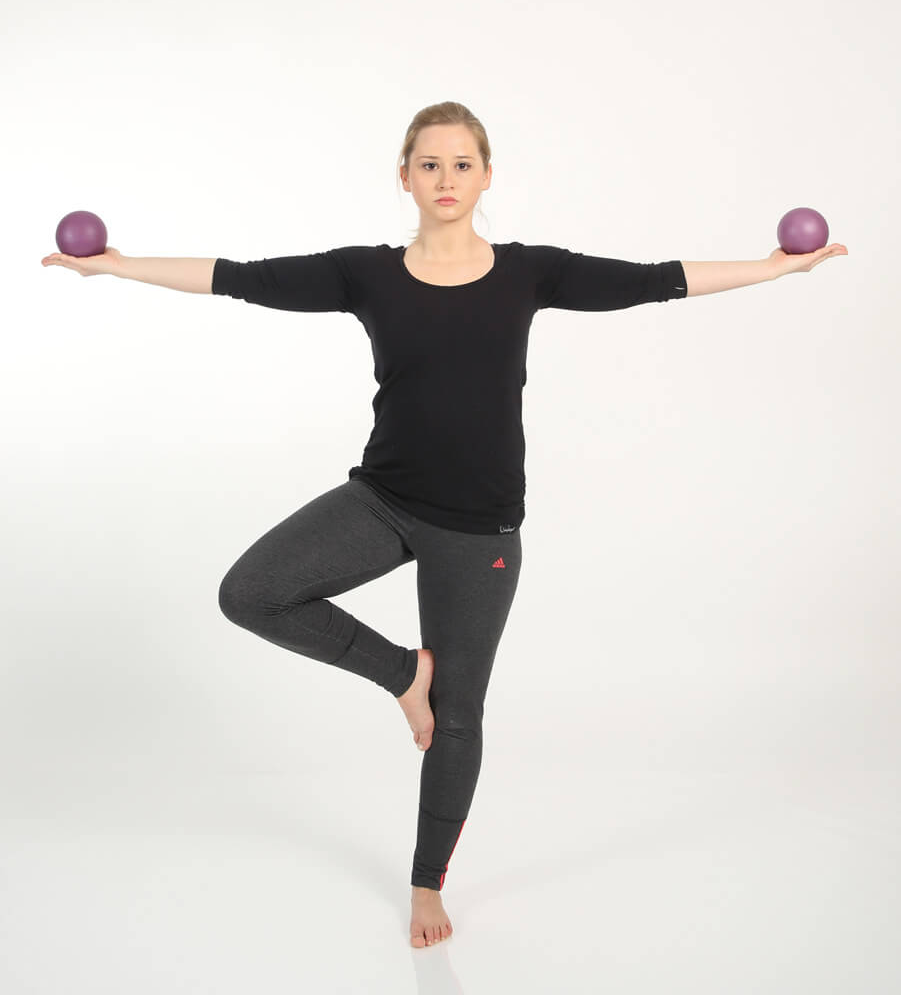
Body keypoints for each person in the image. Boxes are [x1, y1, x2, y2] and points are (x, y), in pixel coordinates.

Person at [41, 101, 848, 950]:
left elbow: (655, 280)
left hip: (478, 530)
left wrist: (773, 269)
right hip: (383, 500)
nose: (446, 179)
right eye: (429, 164)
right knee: (251, 592)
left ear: (487, 175)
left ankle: (426, 883)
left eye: (462, 164)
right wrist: (118, 267)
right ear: (404, 177)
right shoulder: (364, 274)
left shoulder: (531, 272)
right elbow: (239, 276)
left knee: (457, 719)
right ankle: (404, 673)